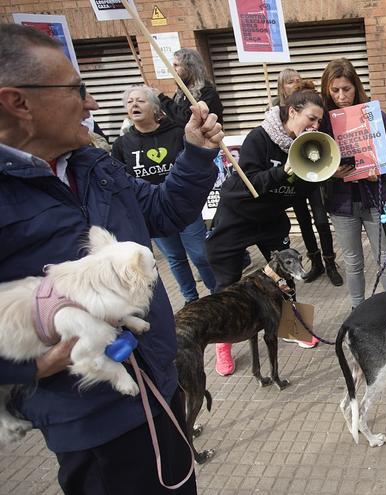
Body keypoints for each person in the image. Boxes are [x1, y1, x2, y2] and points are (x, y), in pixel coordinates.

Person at [0, 24, 223, 494]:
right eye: (77, 91)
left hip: (160, 382)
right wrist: (30, 368)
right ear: (18, 102)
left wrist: (198, 155)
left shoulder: (94, 163)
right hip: (93, 419)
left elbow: (163, 210)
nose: (93, 104)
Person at [205, 80, 326, 371]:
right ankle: (224, 343)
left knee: (286, 274)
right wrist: (282, 170)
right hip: (237, 215)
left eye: (319, 121)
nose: (315, 126)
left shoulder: (308, 146)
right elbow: (250, 183)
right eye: (311, 118)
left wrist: (325, 175)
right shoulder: (260, 138)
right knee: (227, 285)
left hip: (271, 217)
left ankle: (293, 327)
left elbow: (302, 191)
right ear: (292, 112)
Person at [112, 84, 218, 304]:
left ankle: (217, 294)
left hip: (183, 205)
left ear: (155, 107)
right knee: (175, 258)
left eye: (140, 100)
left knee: (200, 254)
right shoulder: (122, 144)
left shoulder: (178, 133)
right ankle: (191, 300)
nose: (134, 105)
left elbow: (194, 162)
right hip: (151, 211)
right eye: (130, 101)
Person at [319, 58, 386, 309]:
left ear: (356, 87)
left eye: (346, 89)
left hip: (374, 200)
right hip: (341, 205)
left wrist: (380, 172)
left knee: (385, 259)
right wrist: (330, 173)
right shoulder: (322, 121)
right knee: (353, 262)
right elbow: (312, 166)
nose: (341, 96)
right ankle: (358, 312)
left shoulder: (374, 114)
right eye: (334, 90)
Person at [273, 68, 343, 290]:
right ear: (282, 86)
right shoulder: (276, 111)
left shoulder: (311, 109)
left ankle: (330, 263)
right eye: (289, 81)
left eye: (297, 80)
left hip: (311, 174)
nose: (294, 83)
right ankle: (315, 262)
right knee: (303, 222)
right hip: (292, 177)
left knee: (321, 220)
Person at [158, 47, 224, 126]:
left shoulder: (208, 93)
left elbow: (188, 121)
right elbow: (176, 119)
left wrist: (162, 99)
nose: (172, 70)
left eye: (176, 65)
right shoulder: (181, 94)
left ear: (189, 68)